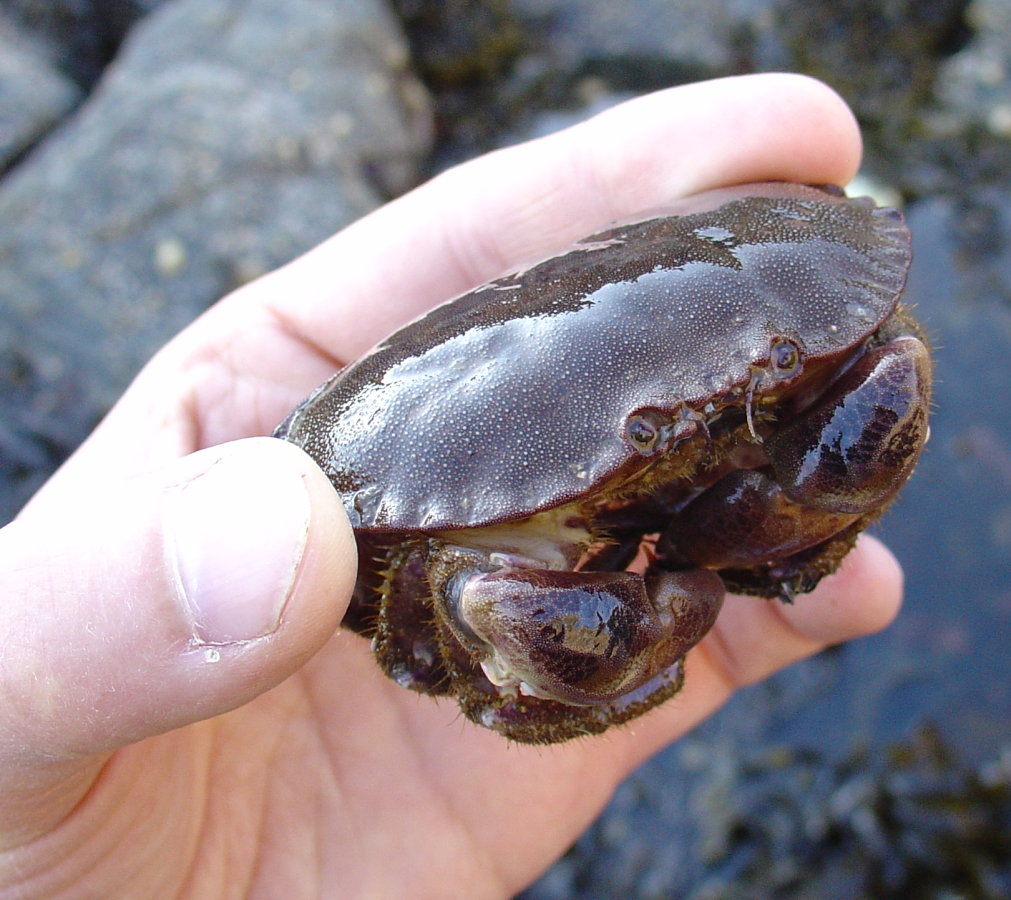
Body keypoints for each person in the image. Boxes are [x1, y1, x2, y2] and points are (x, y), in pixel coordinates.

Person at [0, 73, 902, 897]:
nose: (677, 429)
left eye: (766, 364)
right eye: (640, 436)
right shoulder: (370, 488)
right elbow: (471, 635)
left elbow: (886, 364)